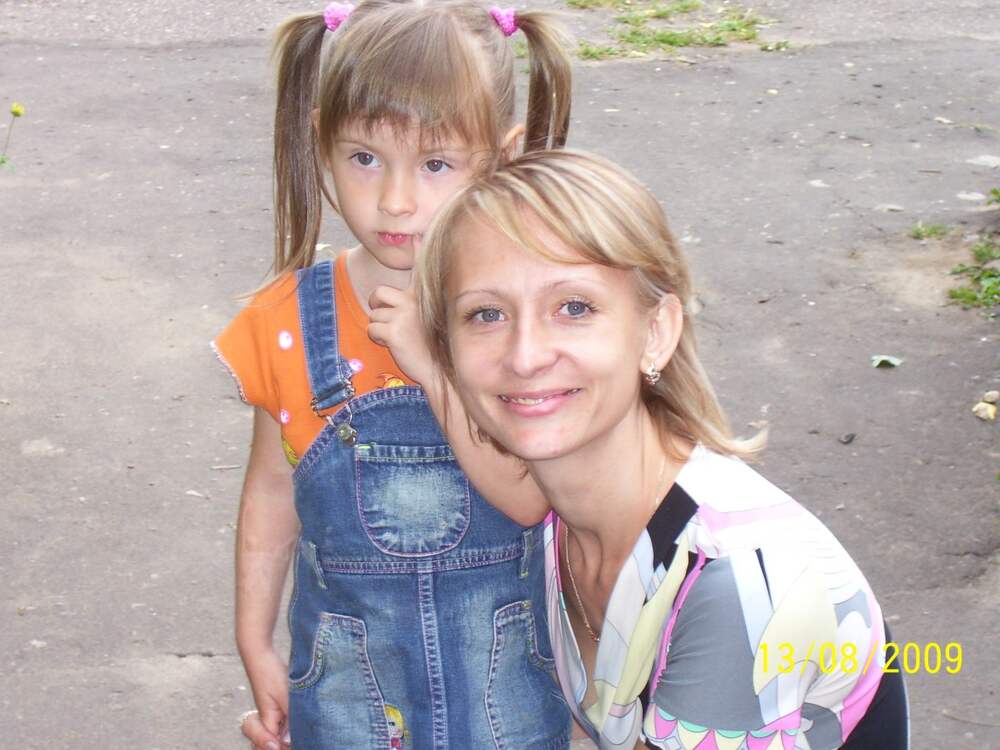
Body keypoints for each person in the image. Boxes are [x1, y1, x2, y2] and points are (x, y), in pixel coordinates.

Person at [416, 150, 910, 750]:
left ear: (656, 332)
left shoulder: (735, 580)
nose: (524, 355)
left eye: (574, 307)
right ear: (448, 353)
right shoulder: (550, 520)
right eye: (486, 314)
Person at [212, 2, 574, 748]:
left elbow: (530, 498)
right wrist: (254, 638)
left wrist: (435, 370)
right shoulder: (286, 322)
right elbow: (272, 493)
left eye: (436, 164)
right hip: (348, 702)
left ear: (501, 157)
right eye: (365, 157)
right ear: (321, 140)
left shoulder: (523, 321)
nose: (395, 199)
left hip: (506, 702)